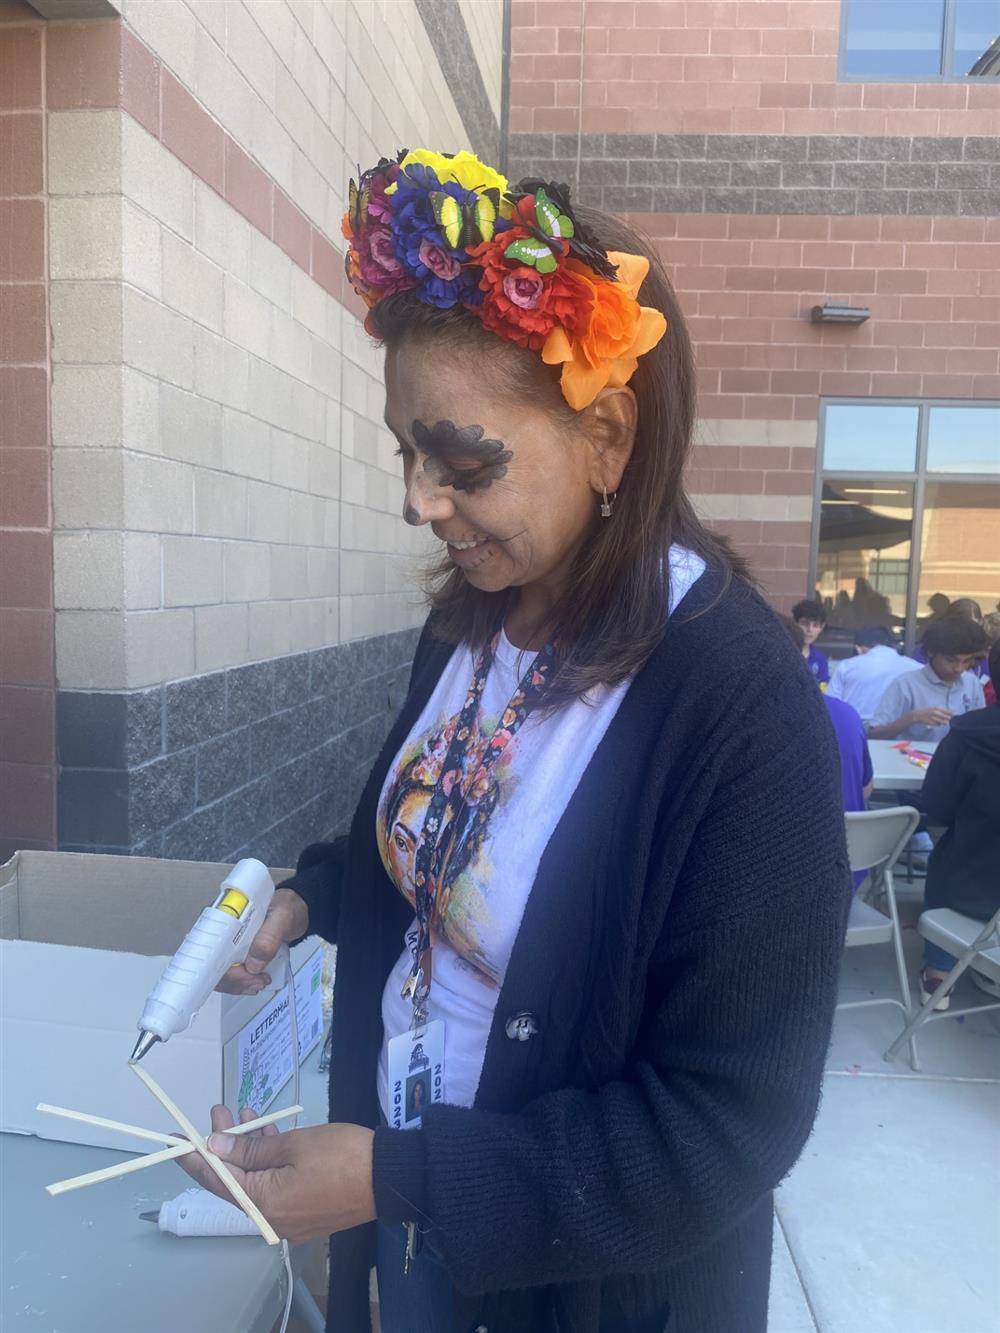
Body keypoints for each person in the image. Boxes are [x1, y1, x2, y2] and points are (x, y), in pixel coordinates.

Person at [177, 148, 849, 1333]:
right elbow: (438, 841)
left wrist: (397, 1176)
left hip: (588, 1287)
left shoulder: (740, 709)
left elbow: (726, 1126)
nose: (418, 500)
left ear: (606, 438)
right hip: (415, 1221)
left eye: (463, 461)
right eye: (405, 451)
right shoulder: (467, 623)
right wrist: (308, 896)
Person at [917, 638, 1000, 1010]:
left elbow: (936, 808)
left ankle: (939, 974)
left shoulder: (967, 734)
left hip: (968, 884)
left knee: (947, 858)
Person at [868, 617, 988, 743]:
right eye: (951, 660)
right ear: (931, 652)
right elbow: (873, 735)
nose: (959, 668)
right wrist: (912, 718)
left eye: (966, 661)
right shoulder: (905, 684)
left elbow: (980, 728)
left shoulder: (971, 682)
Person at [827, 625, 922, 723]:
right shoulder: (917, 668)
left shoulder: (846, 666)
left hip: (854, 730)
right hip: (902, 733)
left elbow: (831, 705)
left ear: (858, 649)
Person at [791, 598, 830, 685]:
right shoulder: (785, 653)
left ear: (821, 628)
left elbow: (822, 689)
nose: (809, 629)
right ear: (794, 623)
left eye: (815, 625)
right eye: (805, 623)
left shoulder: (820, 659)